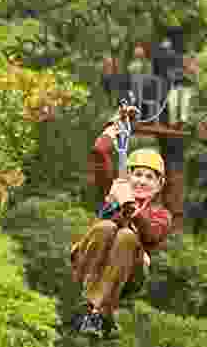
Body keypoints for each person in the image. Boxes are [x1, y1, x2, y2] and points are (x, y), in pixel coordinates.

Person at [70, 109, 172, 338]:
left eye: (149, 177)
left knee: (127, 236)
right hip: (93, 259)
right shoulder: (114, 190)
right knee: (106, 227)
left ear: (158, 185)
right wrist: (114, 127)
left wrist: (132, 210)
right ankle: (96, 309)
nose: (142, 181)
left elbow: (152, 236)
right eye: (137, 175)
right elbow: (99, 153)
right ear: (129, 175)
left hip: (127, 273)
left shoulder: (160, 214)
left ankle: (95, 310)